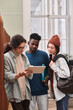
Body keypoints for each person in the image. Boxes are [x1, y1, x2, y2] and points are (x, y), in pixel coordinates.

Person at [4, 34, 33, 110]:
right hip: (15, 93)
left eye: (24, 47)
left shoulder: (24, 57)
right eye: (20, 47)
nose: (22, 50)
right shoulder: (6, 57)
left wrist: (30, 71)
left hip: (25, 91)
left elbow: (29, 75)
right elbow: (7, 76)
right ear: (13, 46)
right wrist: (20, 74)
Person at [25, 33, 49, 110]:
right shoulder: (24, 56)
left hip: (42, 90)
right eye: (32, 44)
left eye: (36, 44)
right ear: (28, 43)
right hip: (29, 91)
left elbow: (49, 69)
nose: (34, 46)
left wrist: (47, 77)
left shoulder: (44, 55)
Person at [47, 35, 70, 110]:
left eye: (52, 47)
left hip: (62, 92)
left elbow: (66, 74)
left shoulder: (60, 59)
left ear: (57, 48)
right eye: (48, 47)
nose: (49, 49)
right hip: (58, 92)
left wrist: (54, 67)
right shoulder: (53, 57)